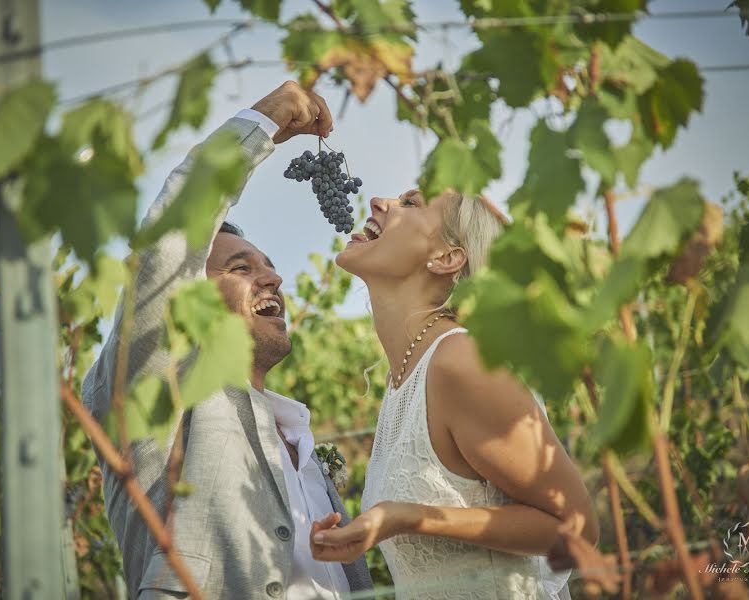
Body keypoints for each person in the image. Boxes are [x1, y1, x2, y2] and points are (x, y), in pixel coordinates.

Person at [82, 82, 373, 599]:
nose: (273, 280)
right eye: (241, 268)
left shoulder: (296, 436)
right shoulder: (160, 394)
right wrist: (261, 122)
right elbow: (168, 246)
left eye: (271, 266)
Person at [309, 189, 599, 599]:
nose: (377, 201)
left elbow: (579, 527)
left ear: (447, 258)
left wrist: (410, 518)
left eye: (411, 204)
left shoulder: (460, 362)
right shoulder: (404, 380)